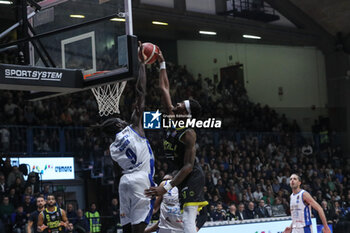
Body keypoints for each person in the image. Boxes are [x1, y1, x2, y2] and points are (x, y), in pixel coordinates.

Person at [90, 43, 155, 233]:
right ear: (119, 125)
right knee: (139, 228)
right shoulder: (134, 127)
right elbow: (141, 92)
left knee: (126, 228)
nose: (121, 118)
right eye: (119, 119)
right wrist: (142, 65)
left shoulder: (112, 148)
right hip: (141, 179)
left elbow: (118, 171)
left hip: (124, 182)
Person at [145, 49, 208, 233]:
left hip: (192, 175)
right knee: (183, 215)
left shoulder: (189, 133)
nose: (176, 104)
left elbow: (188, 166)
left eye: (180, 104)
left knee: (188, 216)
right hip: (178, 174)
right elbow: (163, 88)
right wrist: (161, 62)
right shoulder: (172, 118)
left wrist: (167, 188)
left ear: (185, 113)